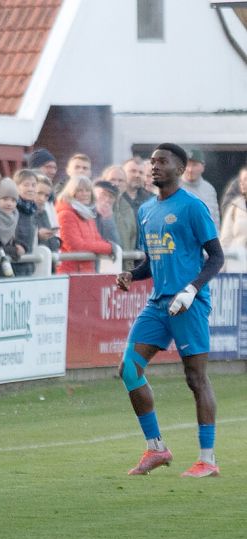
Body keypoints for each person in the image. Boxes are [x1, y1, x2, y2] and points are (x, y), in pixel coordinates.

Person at [115, 143, 223, 478]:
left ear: (180, 167)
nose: (154, 167)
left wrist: (191, 290)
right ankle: (157, 449)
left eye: (162, 161)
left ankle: (207, 460)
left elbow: (216, 257)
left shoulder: (193, 207)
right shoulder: (146, 210)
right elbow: (153, 260)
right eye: (151, 162)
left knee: (195, 379)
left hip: (188, 304)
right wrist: (133, 274)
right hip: (158, 304)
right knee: (130, 369)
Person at [55, 176, 112, 274]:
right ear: (71, 193)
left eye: (87, 190)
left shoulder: (87, 215)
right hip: (69, 273)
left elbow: (97, 239)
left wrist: (109, 246)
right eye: (80, 191)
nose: (84, 194)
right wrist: (109, 248)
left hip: (86, 271)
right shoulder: (65, 214)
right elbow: (76, 246)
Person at [180, 149, 219, 229]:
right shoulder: (172, 187)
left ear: (202, 167)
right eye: (187, 165)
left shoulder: (209, 189)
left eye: (194, 165)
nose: (190, 170)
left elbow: (215, 220)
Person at [219, 166, 247, 250]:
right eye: (241, 180)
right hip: (239, 259)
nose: (242, 183)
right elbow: (225, 240)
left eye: (246, 180)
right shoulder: (234, 207)